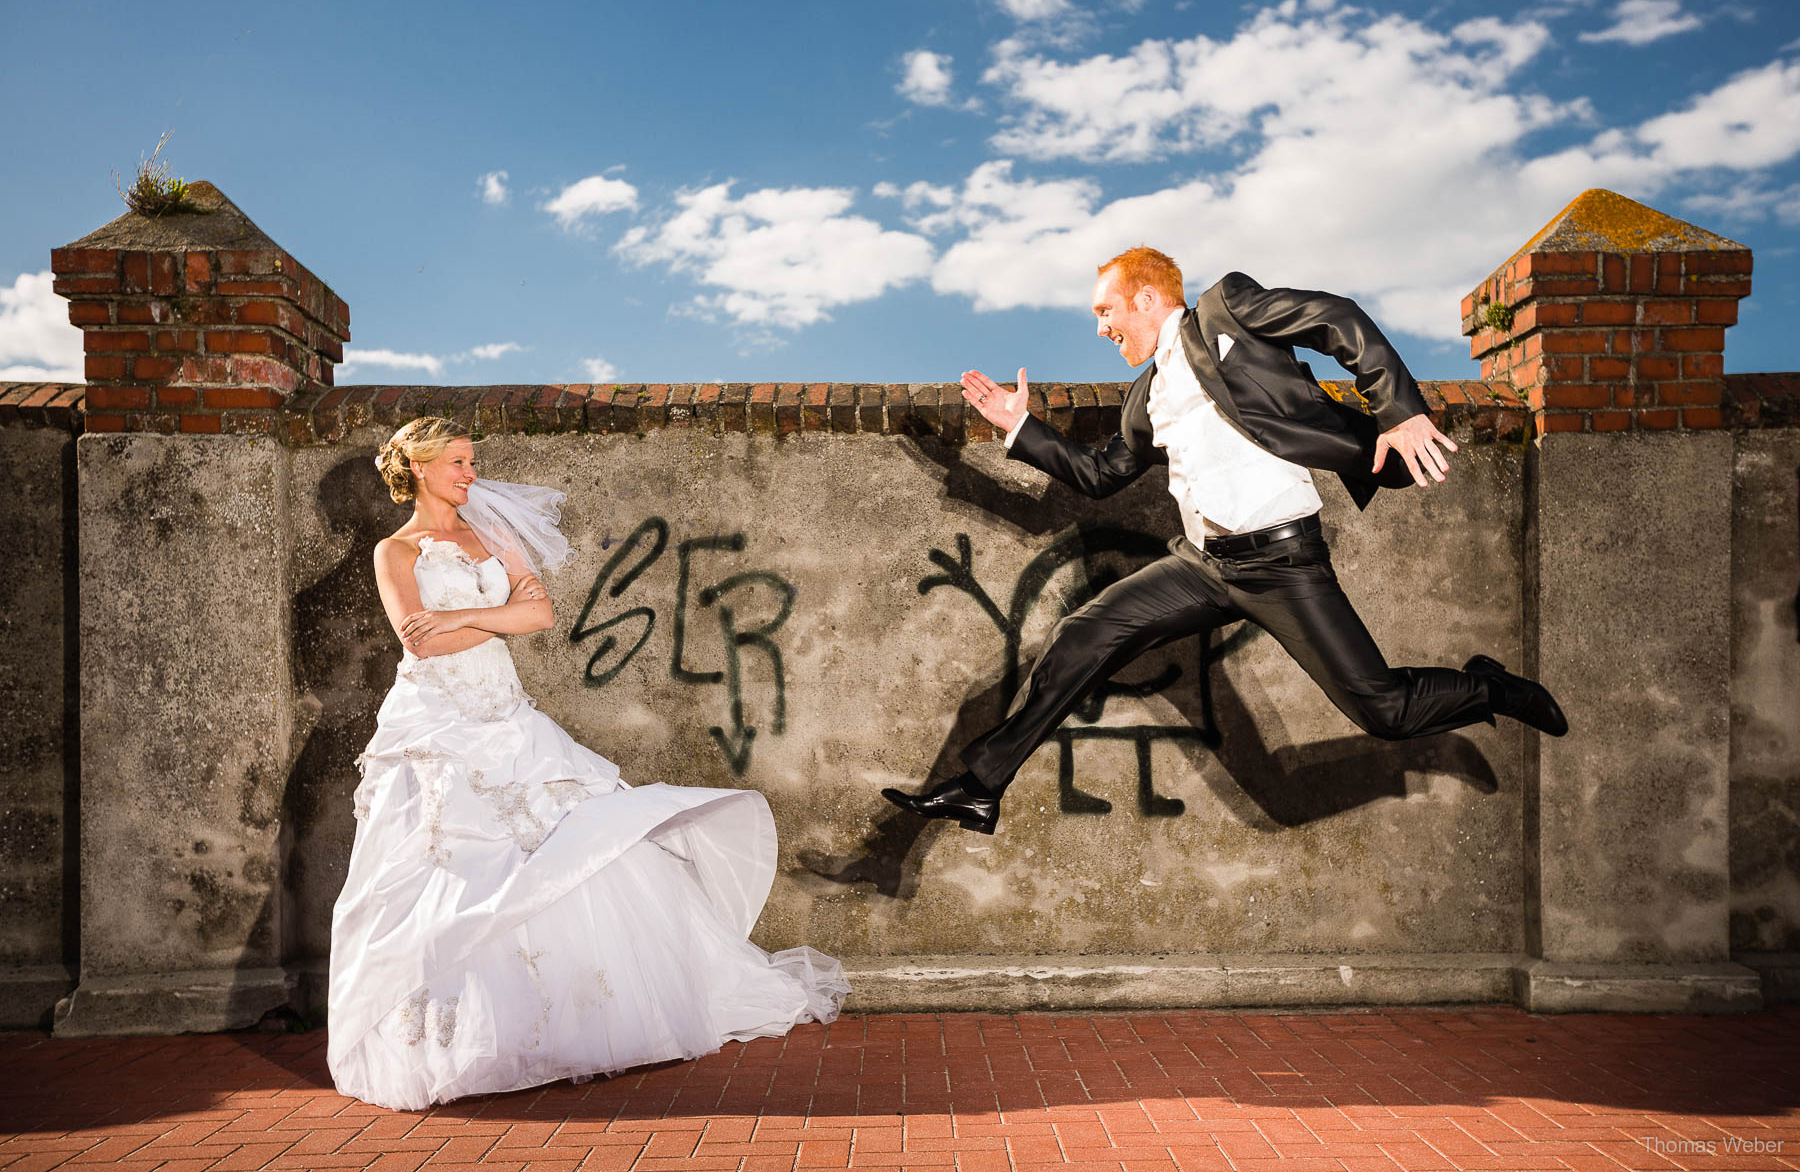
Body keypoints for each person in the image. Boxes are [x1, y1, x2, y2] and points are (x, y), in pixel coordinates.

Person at [883, 247, 1566, 835]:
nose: (1101, 328)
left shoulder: (1227, 311)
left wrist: (1400, 410)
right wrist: (1018, 427)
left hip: (1284, 562)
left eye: (1106, 311)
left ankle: (1488, 687)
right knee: (1082, 637)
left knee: (1384, 710)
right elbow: (1098, 476)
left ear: (1146, 297)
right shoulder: (1143, 398)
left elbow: (1337, 318)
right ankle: (981, 786)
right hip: (1204, 566)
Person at [329, 417, 847, 1111]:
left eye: (472, 460)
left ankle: (600, 1016)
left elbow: (540, 617)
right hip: (439, 727)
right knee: (452, 864)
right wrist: (488, 617)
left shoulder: (493, 535)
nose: (471, 474)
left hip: (508, 717)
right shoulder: (394, 552)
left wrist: (459, 619)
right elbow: (419, 643)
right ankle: (465, 1039)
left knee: (573, 844)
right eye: (457, 462)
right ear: (420, 468)